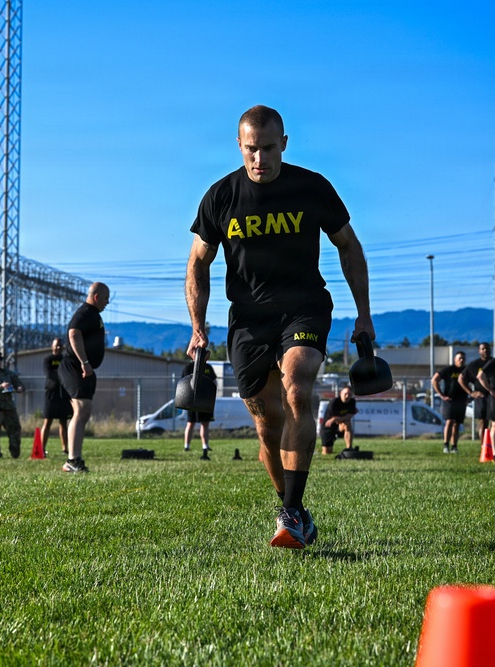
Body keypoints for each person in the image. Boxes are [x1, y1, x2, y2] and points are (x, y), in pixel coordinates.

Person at [185, 105, 375, 549]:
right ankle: (294, 510)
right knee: (267, 425)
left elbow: (349, 247)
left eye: (269, 148)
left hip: (304, 308)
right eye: (251, 149)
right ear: (239, 145)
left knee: (297, 386)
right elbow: (197, 263)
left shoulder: (312, 187)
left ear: (284, 144)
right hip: (248, 320)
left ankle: (289, 511)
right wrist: (197, 326)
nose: (260, 159)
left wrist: (363, 313)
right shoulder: (220, 197)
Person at [58, 282, 110, 473]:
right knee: (81, 410)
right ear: (96, 297)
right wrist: (84, 362)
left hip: (83, 368)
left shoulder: (93, 314)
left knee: (83, 411)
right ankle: (72, 460)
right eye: (105, 298)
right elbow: (73, 333)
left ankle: (75, 458)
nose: (107, 302)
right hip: (75, 366)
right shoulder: (85, 312)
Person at [41, 338, 73, 457]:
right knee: (47, 421)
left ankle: (65, 449)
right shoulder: (48, 359)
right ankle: (42, 449)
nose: (58, 347)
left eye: (60, 345)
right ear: (52, 346)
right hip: (51, 394)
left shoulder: (65, 360)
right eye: (56, 345)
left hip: (63, 394)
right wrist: (61, 377)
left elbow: (69, 373)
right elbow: (49, 374)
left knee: (63, 422)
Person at [433, 351, 468, 454]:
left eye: (463, 358)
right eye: (459, 358)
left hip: (461, 400)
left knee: (457, 424)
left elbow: (475, 381)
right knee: (449, 422)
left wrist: (471, 395)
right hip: (450, 400)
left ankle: (454, 447)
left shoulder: (466, 371)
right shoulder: (449, 370)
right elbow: (435, 379)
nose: (461, 360)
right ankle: (446, 445)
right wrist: (441, 394)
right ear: (455, 359)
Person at [181, 359, 217, 459]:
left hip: (205, 400)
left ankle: (205, 446)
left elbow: (214, 382)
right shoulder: (188, 368)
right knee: (190, 423)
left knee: (205, 423)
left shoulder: (208, 367)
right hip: (192, 400)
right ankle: (186, 446)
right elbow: (184, 383)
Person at [460, 342, 492, 438]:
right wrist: (471, 392)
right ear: (479, 351)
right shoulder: (474, 365)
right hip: (482, 397)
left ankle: (494, 444)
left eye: (487, 348)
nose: (485, 350)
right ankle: (483, 445)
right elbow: (460, 379)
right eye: (483, 349)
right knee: (483, 422)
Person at [320, 385, 357, 455]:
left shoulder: (352, 402)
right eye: (345, 394)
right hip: (328, 427)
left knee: (347, 424)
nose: (347, 396)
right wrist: (337, 418)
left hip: (340, 426)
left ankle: (349, 448)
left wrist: (335, 419)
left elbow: (349, 416)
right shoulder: (334, 402)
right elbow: (336, 419)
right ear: (341, 393)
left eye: (349, 395)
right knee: (327, 452)